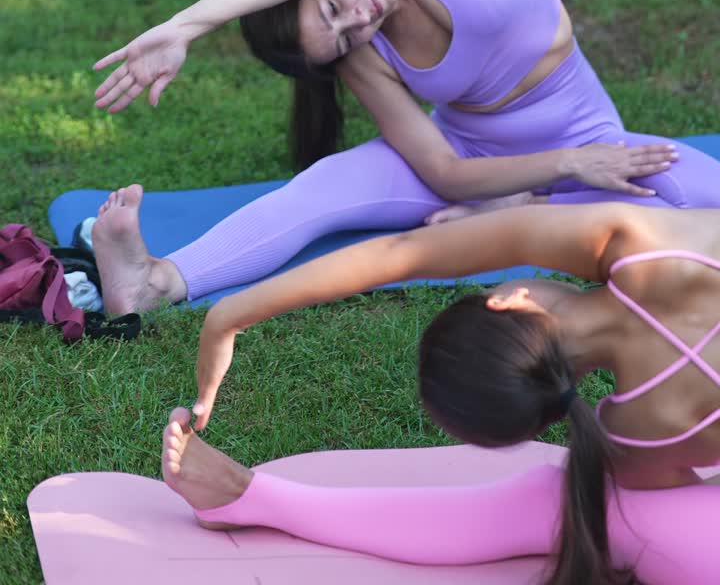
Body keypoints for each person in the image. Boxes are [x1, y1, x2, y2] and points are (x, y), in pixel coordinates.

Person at [91, 0, 720, 313]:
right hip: (480, 155)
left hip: (588, 137)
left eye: (332, 8)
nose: (357, 22)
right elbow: (444, 172)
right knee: (322, 188)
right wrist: (564, 167)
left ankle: (522, 208)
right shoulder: (362, 51)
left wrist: (185, 27)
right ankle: (156, 282)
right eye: (341, 37)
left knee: (695, 195)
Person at [161, 201, 720, 585]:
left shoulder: (641, 434)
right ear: (508, 299)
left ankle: (255, 497)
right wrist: (228, 316)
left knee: (596, 506)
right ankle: (252, 498)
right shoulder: (634, 239)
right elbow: (405, 251)